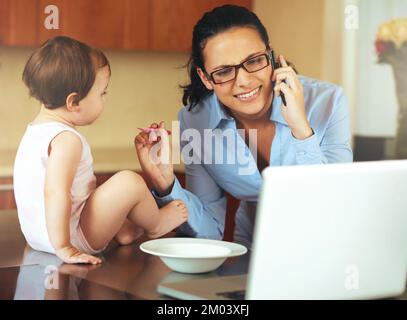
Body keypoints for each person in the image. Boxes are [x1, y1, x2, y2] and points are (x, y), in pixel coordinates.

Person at [135, 5, 353, 248]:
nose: (244, 81)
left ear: (270, 56)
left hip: (327, 245)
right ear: (206, 78)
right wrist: (166, 184)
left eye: (254, 61)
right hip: (253, 250)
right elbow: (210, 230)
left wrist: (301, 130)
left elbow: (333, 205)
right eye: (224, 71)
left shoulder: (328, 102)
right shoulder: (195, 122)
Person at [13, 36, 188, 265]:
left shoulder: (33, 133)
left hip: (40, 239)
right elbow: (55, 193)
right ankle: (156, 224)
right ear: (74, 102)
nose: (105, 99)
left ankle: (123, 230)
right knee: (128, 182)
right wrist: (65, 247)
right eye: (102, 92)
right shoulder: (66, 140)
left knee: (97, 191)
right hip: (71, 237)